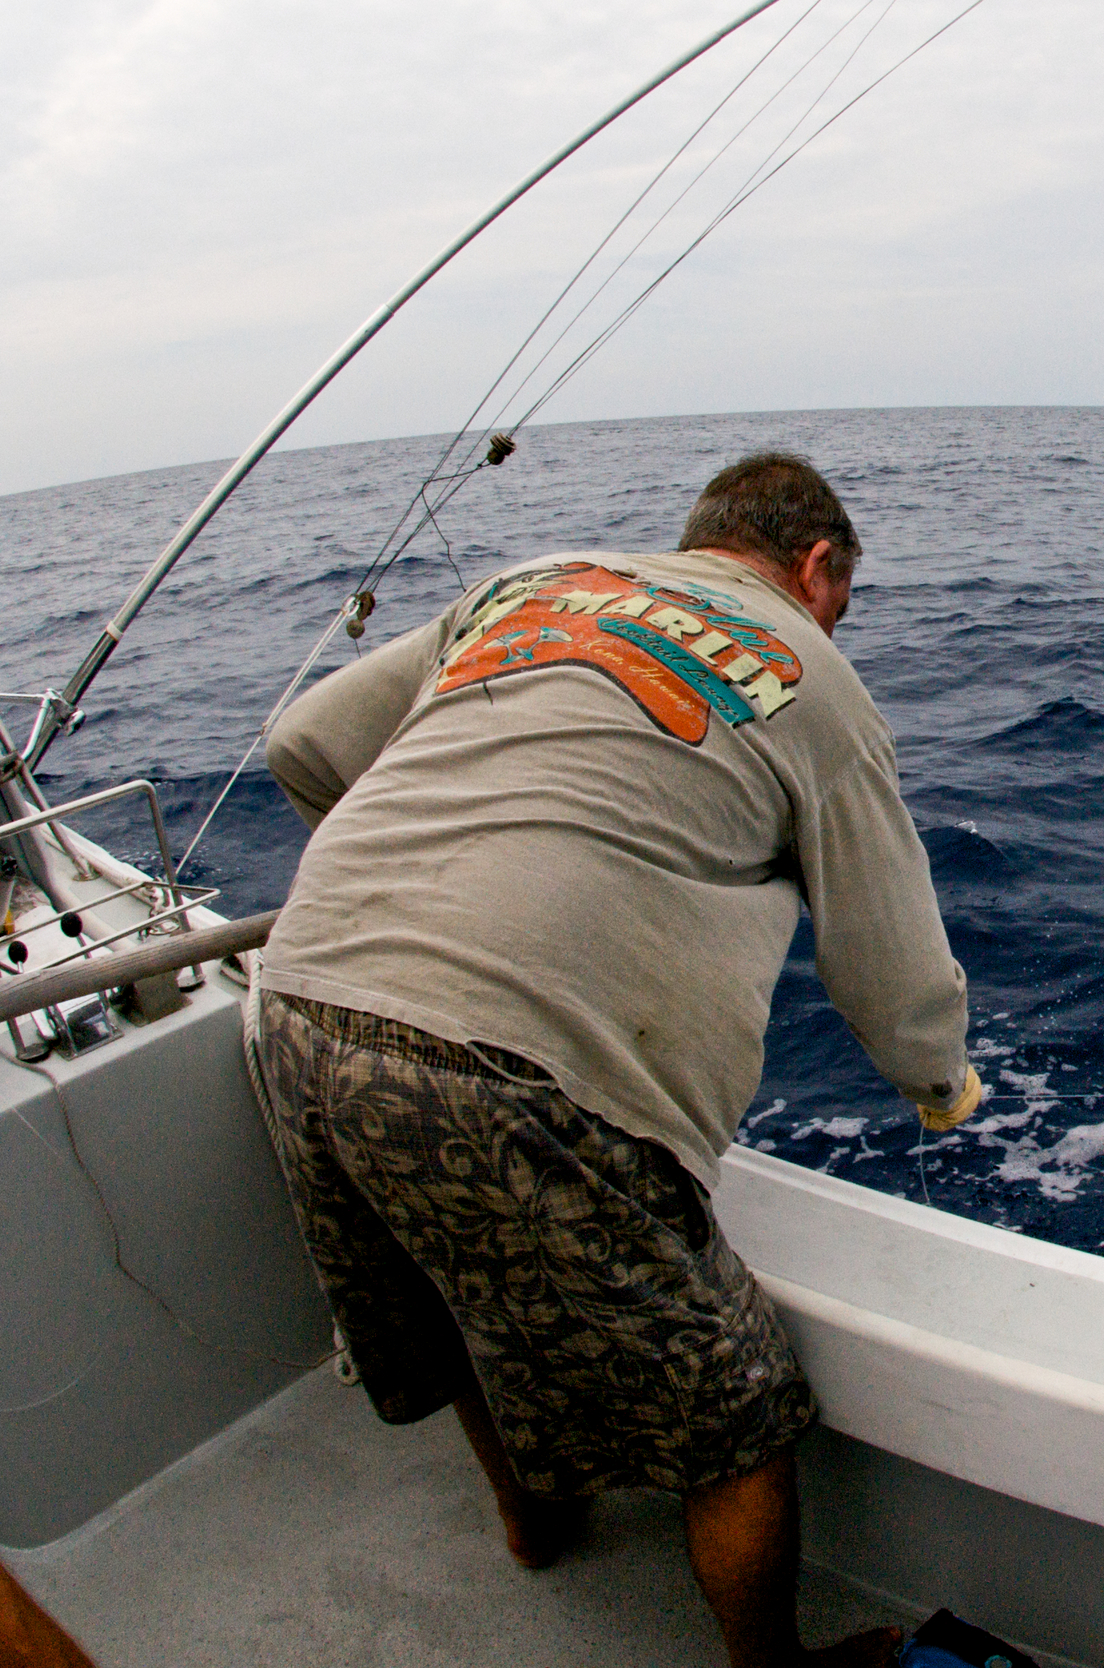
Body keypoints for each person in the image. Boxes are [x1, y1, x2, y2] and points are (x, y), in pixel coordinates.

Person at [249, 452, 980, 1668]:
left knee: (441, 1302)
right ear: (815, 566)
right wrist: (938, 1084)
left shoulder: (532, 582)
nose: (836, 619)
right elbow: (887, 970)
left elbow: (304, 745)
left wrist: (437, 874)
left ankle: (530, 1521)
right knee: (736, 1418)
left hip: (303, 1001)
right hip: (511, 1068)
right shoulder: (814, 675)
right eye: (840, 597)